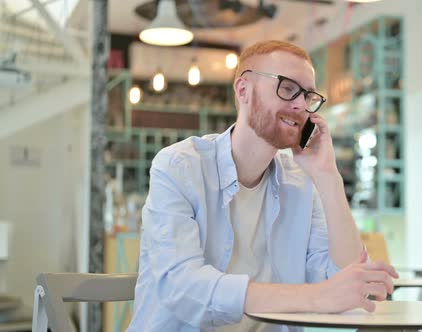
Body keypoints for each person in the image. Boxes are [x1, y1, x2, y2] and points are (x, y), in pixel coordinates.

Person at [127, 40, 398, 332]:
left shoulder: (302, 181)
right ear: (243, 90)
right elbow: (183, 288)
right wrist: (317, 297)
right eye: (287, 88)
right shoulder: (179, 166)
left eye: (307, 96)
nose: (299, 105)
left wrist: (328, 175)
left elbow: (344, 284)